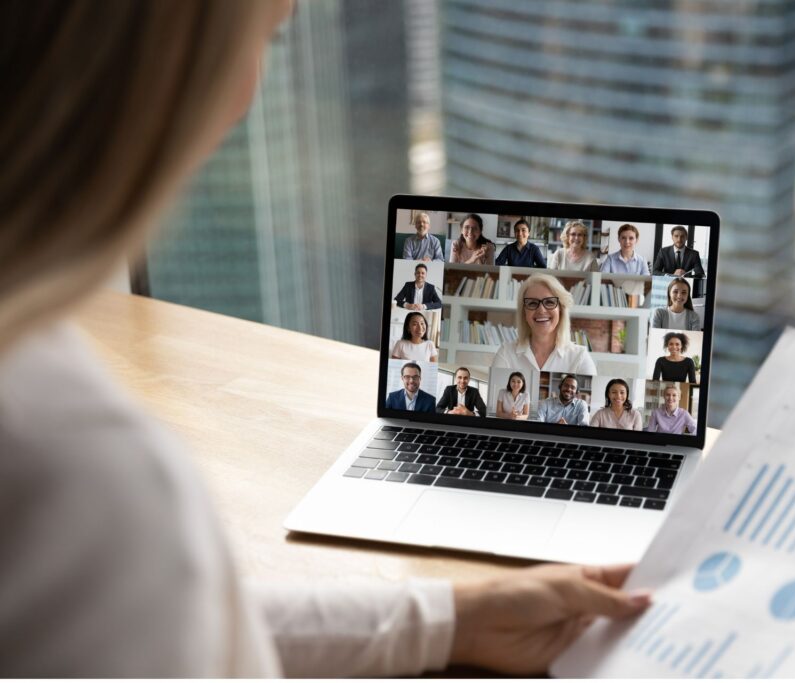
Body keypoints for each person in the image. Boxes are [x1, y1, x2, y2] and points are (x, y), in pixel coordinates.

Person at [0, 1, 651, 676]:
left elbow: (144, 626)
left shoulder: (44, 399)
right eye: (263, 39)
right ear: (155, 66)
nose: (243, 97)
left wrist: (454, 618)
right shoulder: (86, 474)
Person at [491, 273, 597, 375]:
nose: (541, 310)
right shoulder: (506, 353)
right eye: (532, 303)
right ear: (524, 312)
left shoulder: (580, 357)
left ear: (561, 309)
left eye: (550, 302)